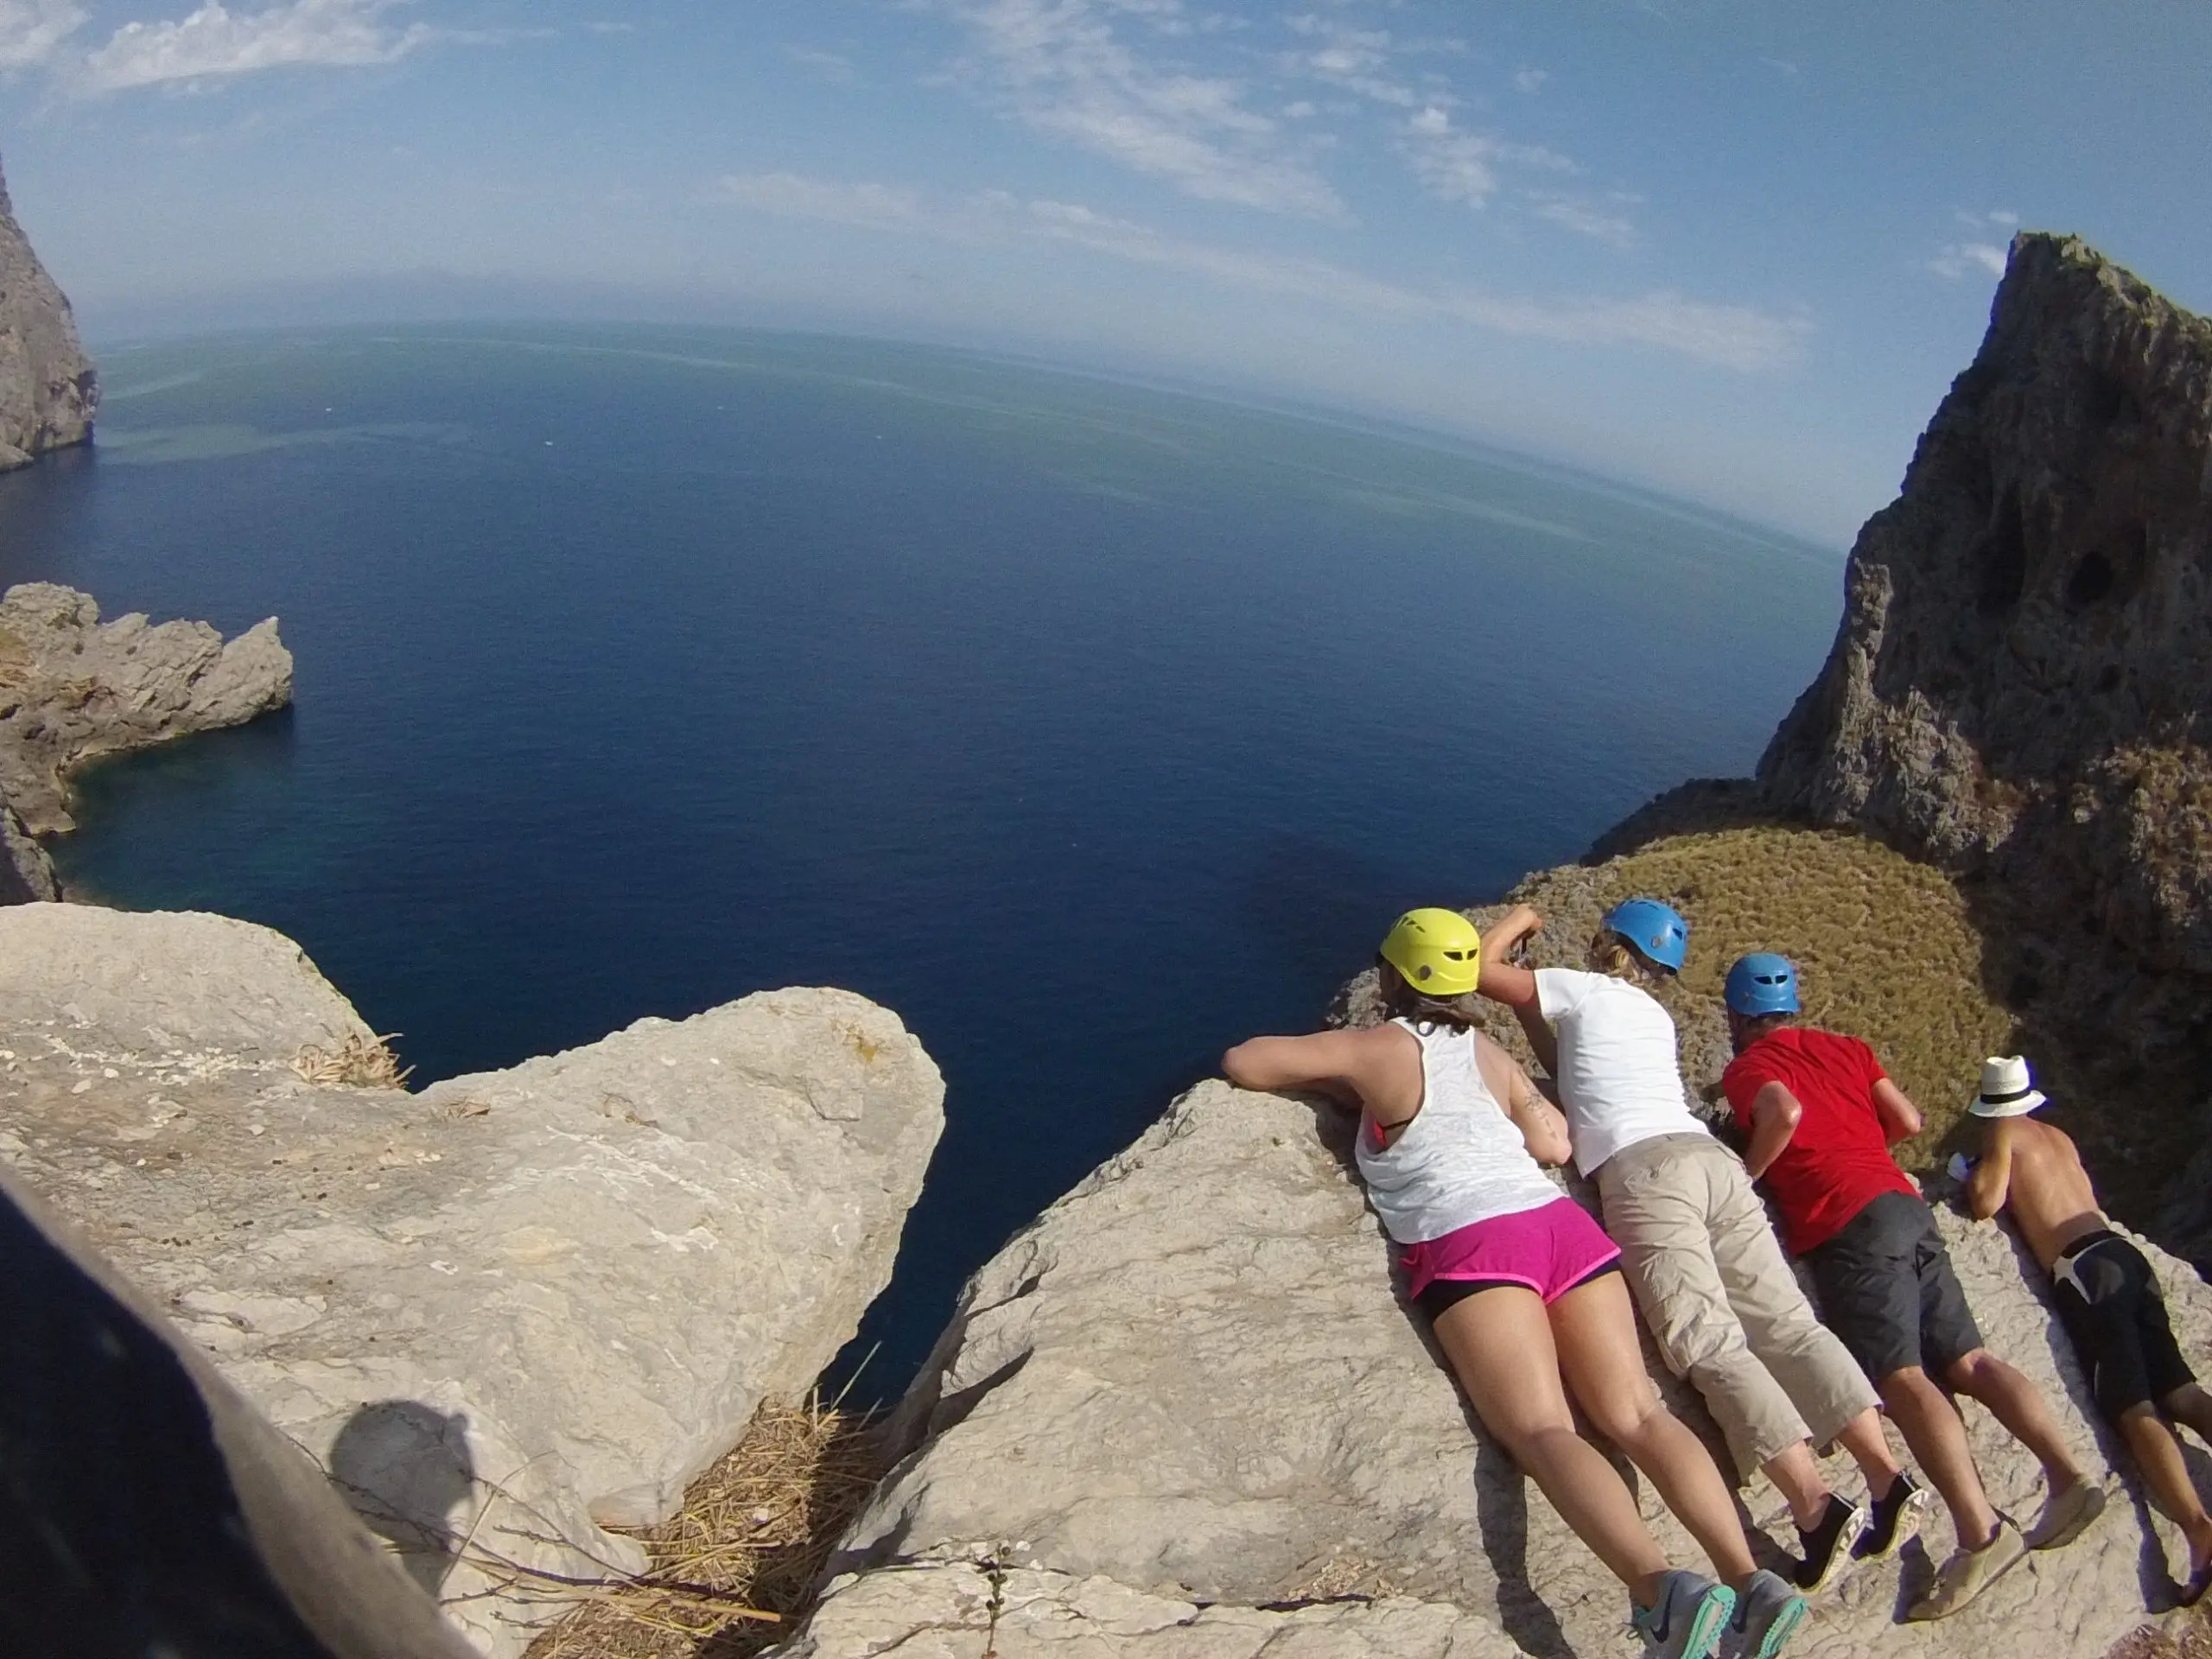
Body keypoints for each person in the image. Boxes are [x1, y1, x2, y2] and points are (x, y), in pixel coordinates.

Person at [1224, 909, 1808, 1659]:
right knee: (1636, 1412)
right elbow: (1553, 1140)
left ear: (1394, 974)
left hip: (1474, 1242)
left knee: (1543, 1430)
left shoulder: (1374, 1048)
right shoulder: (1489, 1052)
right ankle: (1750, 1581)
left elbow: (1247, 1062)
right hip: (1563, 1229)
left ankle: (1663, 1593)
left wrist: (1352, 1086)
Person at [1476, 900, 1918, 1594]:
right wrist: (1539, 997)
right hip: (1710, 1160)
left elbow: (1476, 969)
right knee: (1788, 1323)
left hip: (1644, 1172)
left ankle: (1813, 1507)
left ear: (1606, 943)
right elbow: (1568, 1065)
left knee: (1710, 1343)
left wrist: (1522, 918)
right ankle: (1887, 1477)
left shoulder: (1584, 988)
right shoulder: (1654, 1018)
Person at [1719, 953, 2107, 1622]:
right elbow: (1909, 1122)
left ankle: (1980, 1533)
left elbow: (1779, 1113)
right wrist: (1863, 1141)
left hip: (1846, 1222)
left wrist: (1746, 1177)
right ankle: (2068, 1479)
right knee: (1970, 1361)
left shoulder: (1749, 1067)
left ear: (1736, 1016)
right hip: (1903, 1203)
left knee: (1901, 1377)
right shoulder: (1847, 1047)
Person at [1953, 1054, 2212, 1607]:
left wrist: (1969, 1171)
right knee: (2180, 1390)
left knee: (2132, 1404)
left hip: (2084, 1269)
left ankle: (2198, 1529)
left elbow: (1985, 1202)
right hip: (2123, 1254)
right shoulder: (2056, 1136)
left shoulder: (2003, 1132)